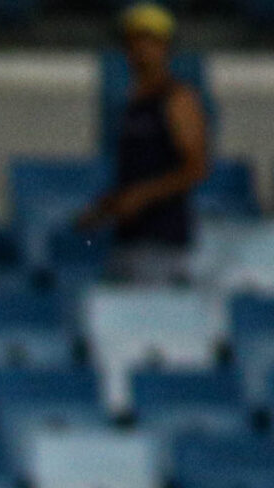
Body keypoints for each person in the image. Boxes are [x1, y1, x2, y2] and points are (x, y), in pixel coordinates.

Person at [79, 4, 210, 284]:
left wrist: (142, 196)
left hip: (161, 241)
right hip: (129, 239)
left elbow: (196, 167)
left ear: (165, 46)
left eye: (148, 40)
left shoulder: (177, 98)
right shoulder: (133, 103)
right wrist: (106, 208)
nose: (139, 49)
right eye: (133, 41)